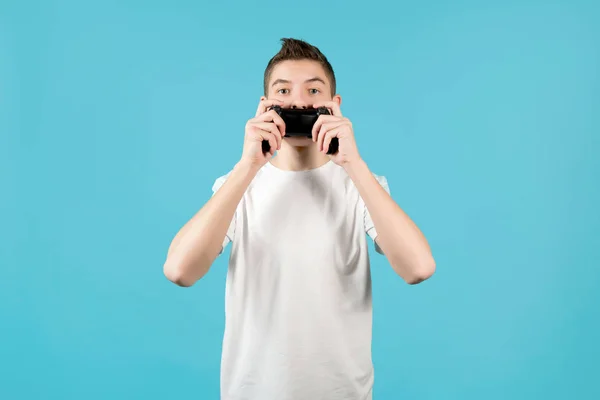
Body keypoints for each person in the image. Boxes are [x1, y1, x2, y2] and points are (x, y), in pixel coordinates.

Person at [163, 38, 436, 400]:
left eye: (313, 90)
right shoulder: (238, 186)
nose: (298, 102)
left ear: (335, 105)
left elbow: (418, 268)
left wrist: (353, 163)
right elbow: (180, 271)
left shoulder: (361, 185)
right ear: (264, 106)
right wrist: (248, 165)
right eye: (283, 90)